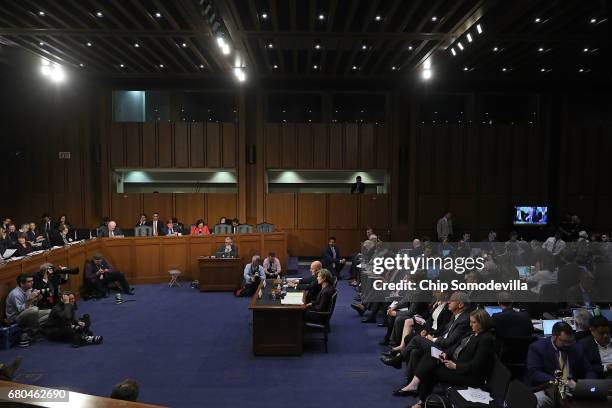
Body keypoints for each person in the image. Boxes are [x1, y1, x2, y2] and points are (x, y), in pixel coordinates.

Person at [399, 309, 496, 407]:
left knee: (431, 370)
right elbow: (456, 346)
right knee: (431, 355)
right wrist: (445, 353)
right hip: (456, 363)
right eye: (470, 322)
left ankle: (420, 402)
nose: (471, 324)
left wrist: (455, 366)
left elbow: (476, 365)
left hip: (468, 375)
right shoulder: (472, 333)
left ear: (482, 323)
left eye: (474, 322)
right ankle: (417, 391)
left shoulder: (486, 339)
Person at [527, 321, 596, 408]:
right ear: (554, 337)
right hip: (548, 388)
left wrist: (586, 385)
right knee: (539, 401)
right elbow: (534, 373)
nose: (568, 344)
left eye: (570, 341)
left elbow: (589, 370)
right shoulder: (537, 348)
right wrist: (560, 382)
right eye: (565, 341)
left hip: (572, 389)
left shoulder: (575, 348)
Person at [5, 273, 52, 347]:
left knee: (51, 312)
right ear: (22, 283)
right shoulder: (15, 294)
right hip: (15, 318)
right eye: (29, 281)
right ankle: (35, 332)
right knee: (34, 310)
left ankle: (29, 330)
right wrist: (30, 299)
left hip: (28, 314)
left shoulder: (29, 290)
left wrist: (37, 299)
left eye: (32, 281)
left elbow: (32, 305)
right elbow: (20, 310)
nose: (32, 283)